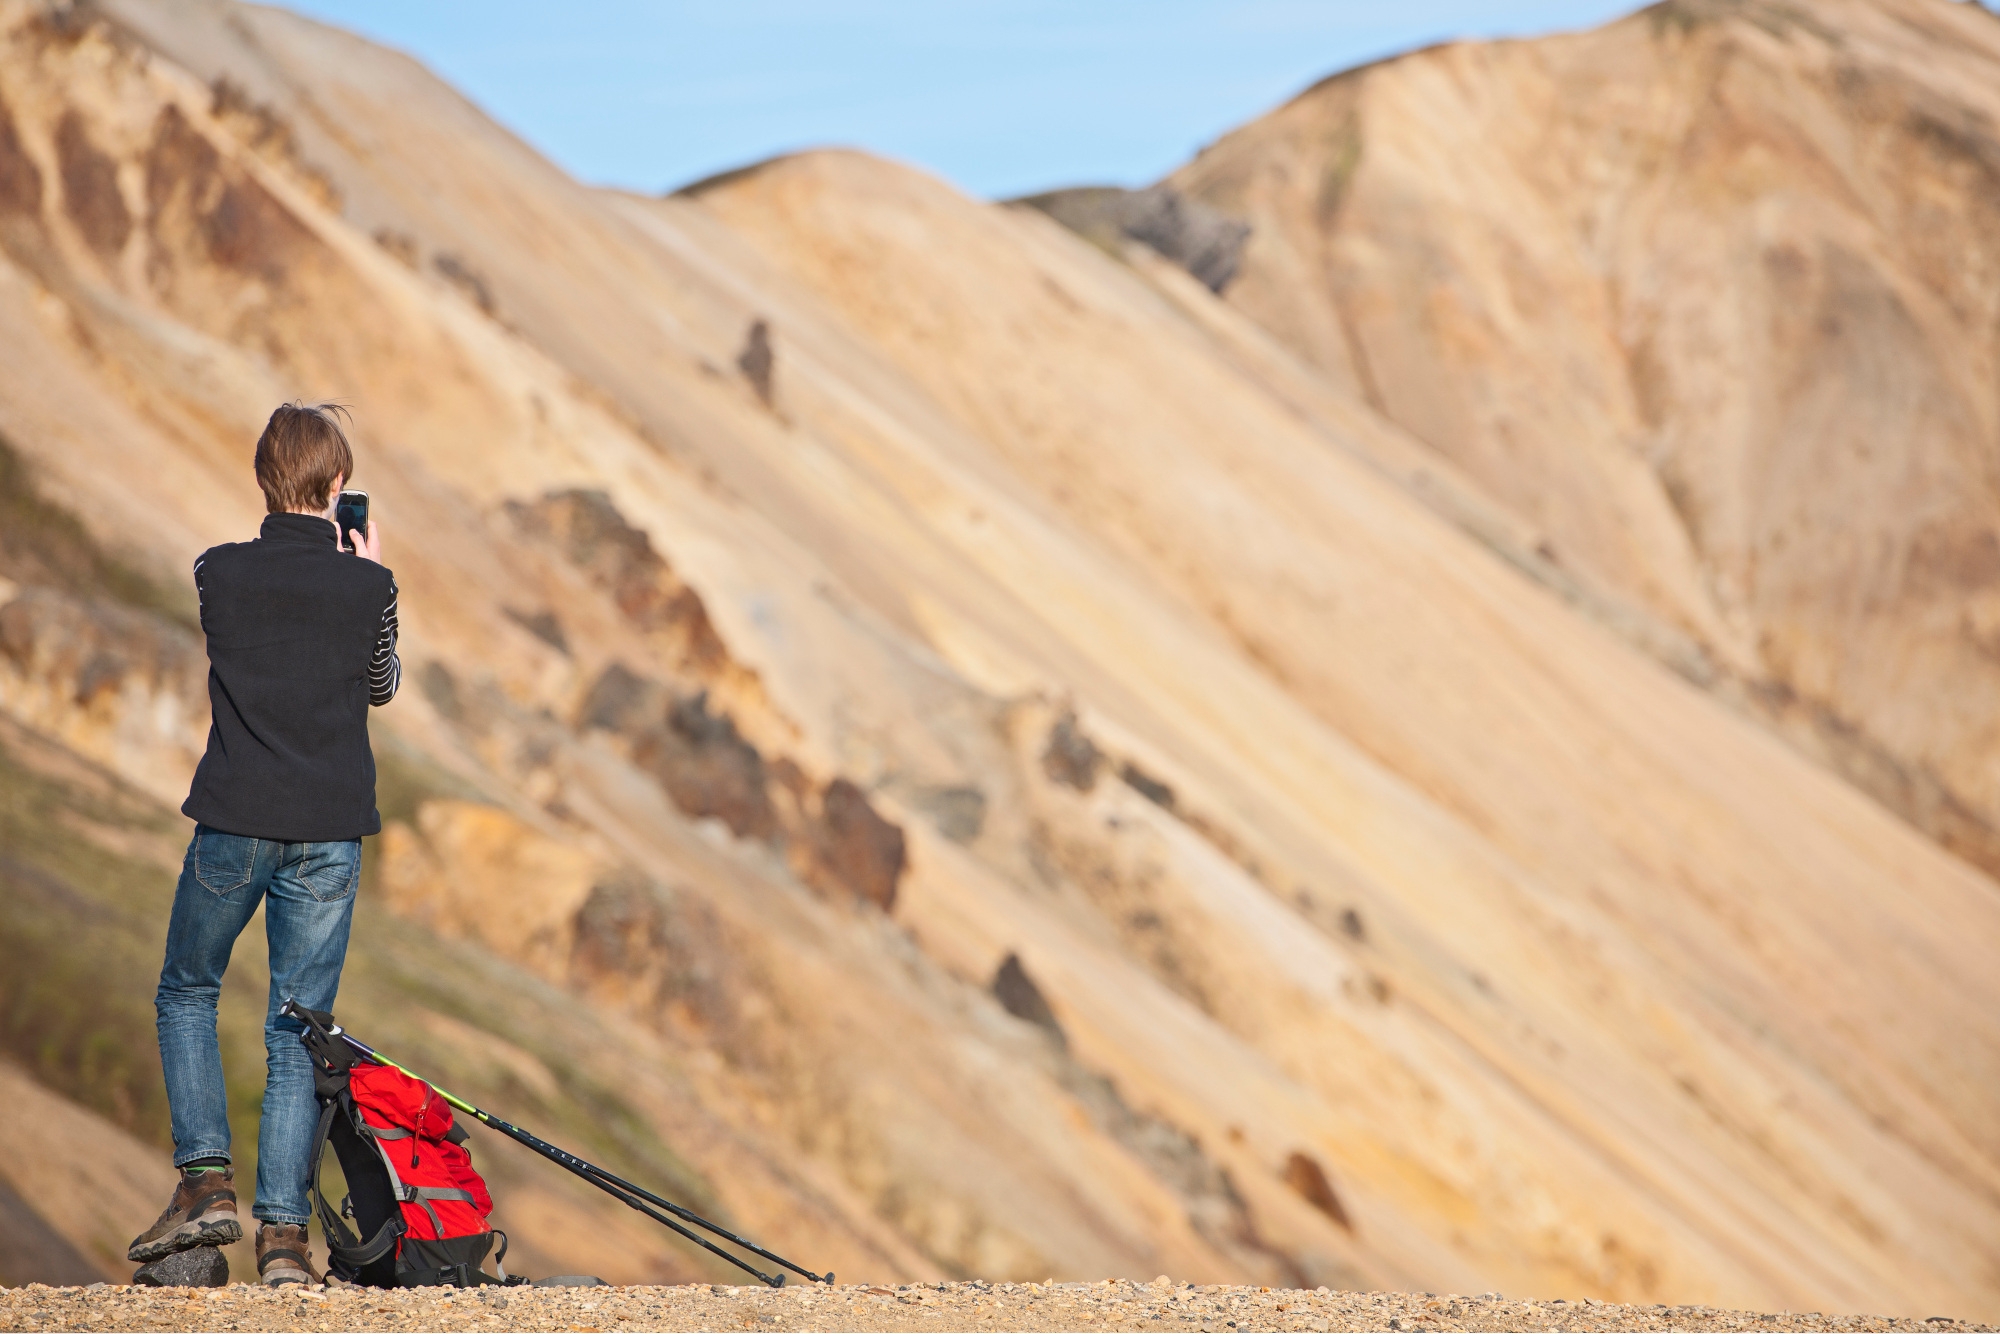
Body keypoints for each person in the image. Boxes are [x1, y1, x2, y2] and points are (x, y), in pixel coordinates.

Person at [127, 403, 400, 1286]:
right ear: (336, 488)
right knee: (296, 1030)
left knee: (186, 989)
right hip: (329, 833)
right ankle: (283, 1240)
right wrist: (370, 575)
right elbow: (381, 688)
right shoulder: (371, 585)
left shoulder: (217, 573)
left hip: (235, 820)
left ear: (263, 480)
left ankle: (206, 1182)